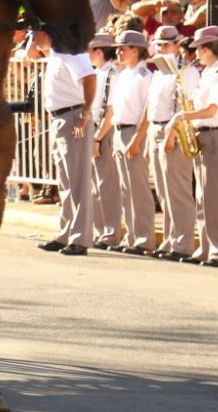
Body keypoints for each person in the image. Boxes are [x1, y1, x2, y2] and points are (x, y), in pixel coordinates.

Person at [168, 26, 218, 266]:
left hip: (215, 134)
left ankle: (217, 251)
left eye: (199, 49)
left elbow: (212, 110)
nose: (196, 54)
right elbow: (196, 102)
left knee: (213, 197)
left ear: (207, 49)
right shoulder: (205, 74)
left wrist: (182, 117)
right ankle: (205, 248)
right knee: (202, 195)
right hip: (202, 134)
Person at [32, 29, 96, 256]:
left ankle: (80, 238)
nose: (34, 37)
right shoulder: (56, 55)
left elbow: (89, 78)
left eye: (36, 32)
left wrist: (85, 113)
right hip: (60, 118)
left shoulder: (71, 54)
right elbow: (31, 53)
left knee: (78, 181)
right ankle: (66, 234)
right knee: (66, 182)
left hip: (73, 116)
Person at [146, 25, 199, 260]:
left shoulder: (186, 71)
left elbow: (187, 104)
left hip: (174, 130)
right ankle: (170, 239)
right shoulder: (159, 71)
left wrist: (174, 133)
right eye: (158, 44)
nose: (161, 48)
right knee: (165, 192)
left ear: (177, 46)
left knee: (178, 190)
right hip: (156, 129)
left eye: (166, 44)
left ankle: (183, 243)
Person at [108, 30, 157, 254]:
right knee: (126, 189)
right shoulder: (124, 74)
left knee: (138, 189)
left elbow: (147, 113)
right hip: (120, 131)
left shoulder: (144, 76)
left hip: (134, 131)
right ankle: (131, 236)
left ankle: (144, 238)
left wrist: (138, 139)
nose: (118, 51)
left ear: (135, 50)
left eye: (123, 47)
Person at [86, 32, 121, 249]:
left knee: (106, 186)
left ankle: (110, 233)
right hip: (95, 131)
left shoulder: (112, 75)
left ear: (99, 52)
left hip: (103, 132)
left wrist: (98, 138)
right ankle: (100, 232)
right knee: (96, 187)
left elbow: (111, 111)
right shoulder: (98, 74)